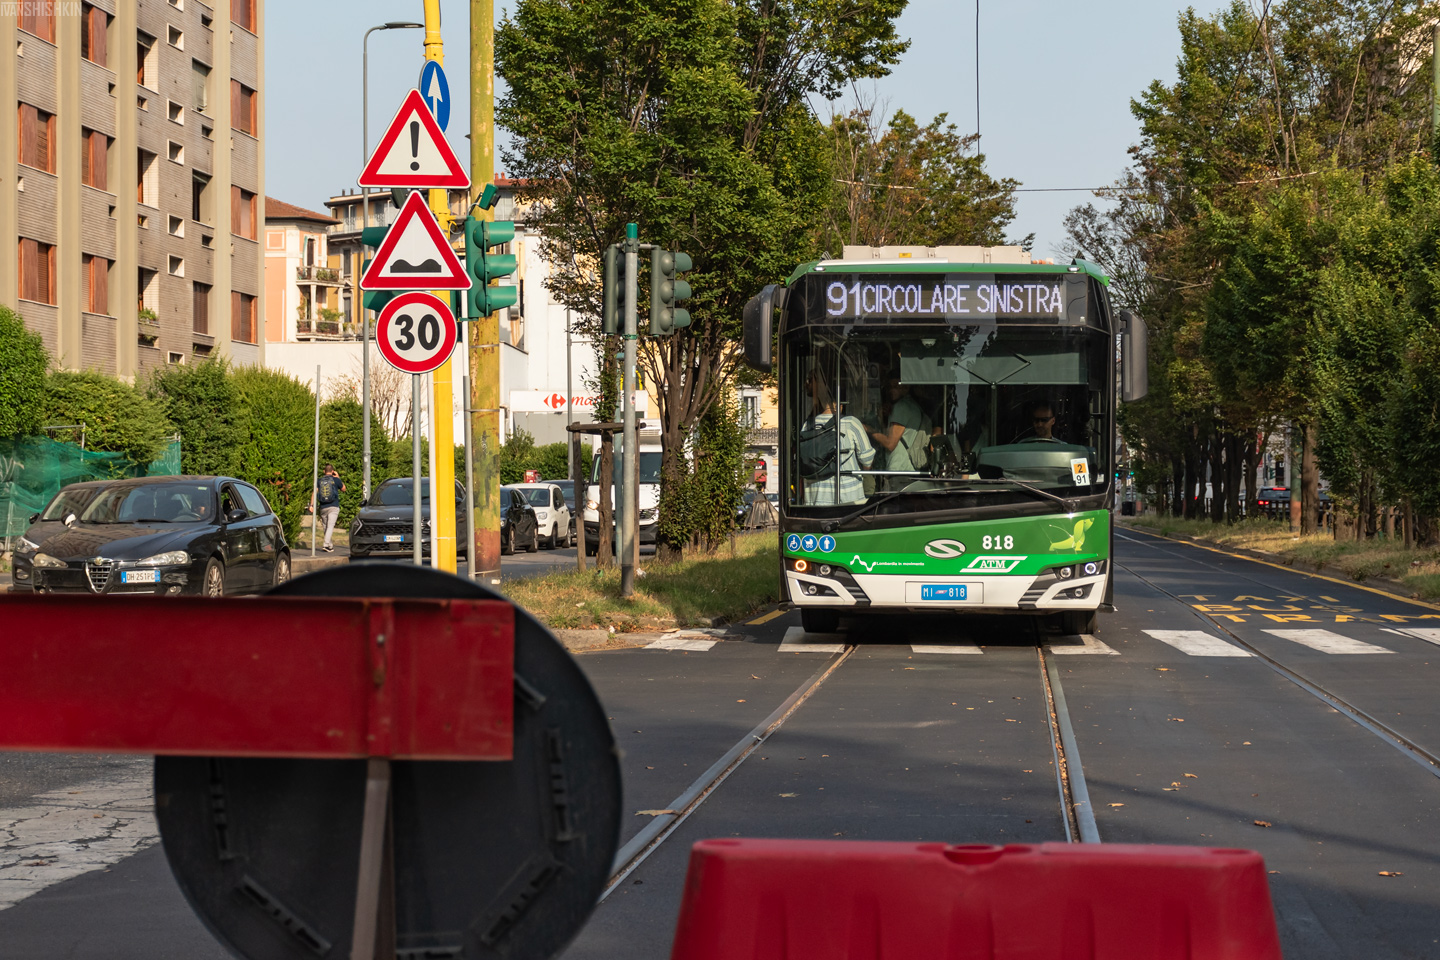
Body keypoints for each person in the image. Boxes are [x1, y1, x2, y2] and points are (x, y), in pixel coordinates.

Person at [800, 366, 874, 506]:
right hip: (848, 502)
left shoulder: (807, 426)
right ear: (841, 403)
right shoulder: (851, 423)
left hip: (814, 503)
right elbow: (867, 461)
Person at [869, 375, 929, 476]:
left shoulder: (901, 407)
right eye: (889, 386)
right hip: (908, 468)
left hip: (899, 468)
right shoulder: (913, 406)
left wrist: (868, 429)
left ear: (906, 387)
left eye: (896, 386)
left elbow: (890, 444)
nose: (891, 390)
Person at [311, 463, 346, 552]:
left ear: (324, 471)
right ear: (333, 471)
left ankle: (330, 546)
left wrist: (311, 505)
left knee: (325, 526)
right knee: (330, 526)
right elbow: (343, 489)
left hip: (323, 507)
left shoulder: (319, 481)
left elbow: (314, 492)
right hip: (334, 506)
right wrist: (338, 477)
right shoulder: (336, 480)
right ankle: (326, 545)